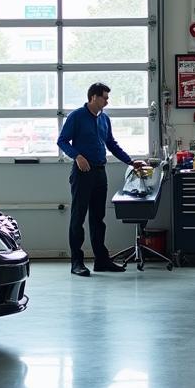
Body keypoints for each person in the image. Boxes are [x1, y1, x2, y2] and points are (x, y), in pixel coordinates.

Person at [58, 82, 145, 277]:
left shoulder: (104, 119)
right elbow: (62, 140)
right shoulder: (77, 117)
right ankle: (77, 263)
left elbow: (111, 144)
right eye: (105, 97)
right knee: (78, 218)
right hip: (82, 173)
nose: (107, 101)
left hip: (99, 172)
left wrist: (130, 161)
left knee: (98, 219)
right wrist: (77, 156)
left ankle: (101, 260)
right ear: (94, 97)